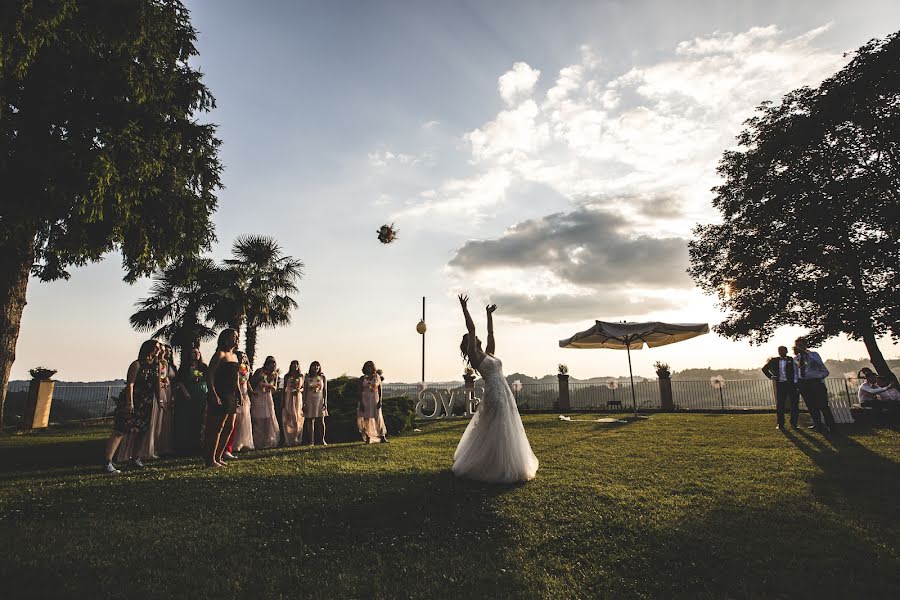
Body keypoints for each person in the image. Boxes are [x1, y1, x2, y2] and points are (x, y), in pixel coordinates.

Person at [452, 296, 538, 483]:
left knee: (505, 426)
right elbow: (472, 328)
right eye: (472, 338)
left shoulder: (489, 353)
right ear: (470, 344)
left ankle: (499, 461)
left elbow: (491, 333)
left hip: (504, 392)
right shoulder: (475, 357)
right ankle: (492, 465)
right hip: (494, 393)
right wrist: (465, 308)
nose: (476, 337)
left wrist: (489, 315)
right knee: (496, 426)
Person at [102, 340, 162, 474]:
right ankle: (107, 462)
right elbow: (130, 384)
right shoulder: (136, 364)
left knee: (142, 431)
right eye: (156, 348)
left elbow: (157, 384)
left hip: (146, 401)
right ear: (148, 349)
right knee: (120, 430)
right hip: (133, 400)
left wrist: (160, 400)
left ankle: (135, 459)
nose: (158, 350)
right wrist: (130, 403)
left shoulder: (156, 366)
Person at [205, 328, 242, 468]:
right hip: (221, 393)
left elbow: (236, 377)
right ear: (226, 339)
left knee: (229, 427)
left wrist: (239, 393)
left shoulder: (235, 356)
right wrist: (213, 393)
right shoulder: (219, 354)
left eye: (238, 337)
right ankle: (210, 459)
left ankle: (219, 456)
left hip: (232, 394)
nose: (237, 339)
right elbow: (210, 375)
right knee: (217, 427)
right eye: (235, 336)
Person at [794, 338, 837, 434]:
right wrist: (797, 384)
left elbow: (820, 365)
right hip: (804, 384)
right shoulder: (796, 359)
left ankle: (831, 427)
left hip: (816, 382)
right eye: (797, 345)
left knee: (823, 406)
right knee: (811, 407)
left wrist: (806, 354)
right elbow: (796, 373)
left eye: (800, 345)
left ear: (805, 345)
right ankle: (818, 426)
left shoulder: (813, 355)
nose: (799, 347)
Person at [174, 347, 208, 455]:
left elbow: (209, 379)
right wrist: (185, 393)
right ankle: (186, 446)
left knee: (200, 420)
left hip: (201, 394)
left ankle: (198, 445)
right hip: (189, 394)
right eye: (194, 352)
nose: (196, 354)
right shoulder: (185, 367)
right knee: (188, 420)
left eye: (198, 352)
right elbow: (179, 381)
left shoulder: (203, 366)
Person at [761, 346, 799, 429]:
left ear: (787, 351)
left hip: (791, 384)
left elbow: (796, 370)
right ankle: (780, 424)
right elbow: (764, 369)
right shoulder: (774, 360)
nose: (781, 352)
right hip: (780, 384)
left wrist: (796, 381)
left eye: (783, 350)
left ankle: (794, 423)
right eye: (780, 350)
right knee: (780, 404)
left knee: (794, 404)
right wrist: (771, 376)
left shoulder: (791, 359)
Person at [250, 356, 281, 449]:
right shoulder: (259, 371)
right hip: (258, 395)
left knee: (268, 418)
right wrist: (260, 383)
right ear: (267, 364)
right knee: (258, 419)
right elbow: (252, 382)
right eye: (271, 364)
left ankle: (268, 441)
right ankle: (258, 442)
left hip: (267, 396)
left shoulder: (275, 375)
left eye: (274, 364)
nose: (273, 366)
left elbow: (275, 388)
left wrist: (271, 387)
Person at [151, 344, 177, 456]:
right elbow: (162, 378)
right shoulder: (161, 363)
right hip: (162, 391)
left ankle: (162, 445)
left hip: (168, 391)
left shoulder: (167, 364)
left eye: (169, 351)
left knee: (165, 420)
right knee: (158, 418)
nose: (167, 353)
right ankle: (154, 446)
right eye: (165, 351)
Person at [230, 350, 255, 453]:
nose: (242, 358)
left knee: (245, 419)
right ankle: (235, 443)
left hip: (245, 394)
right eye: (240, 356)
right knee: (237, 419)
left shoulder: (246, 368)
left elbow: (246, 381)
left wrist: (251, 391)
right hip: (237, 392)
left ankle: (244, 442)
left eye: (244, 356)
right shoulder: (234, 367)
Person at [358, 360, 388, 444]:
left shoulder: (377, 376)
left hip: (375, 398)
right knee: (366, 419)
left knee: (378, 417)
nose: (369, 368)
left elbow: (380, 389)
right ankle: (368, 437)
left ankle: (382, 436)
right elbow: (359, 391)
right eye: (367, 366)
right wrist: (361, 403)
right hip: (365, 398)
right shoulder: (362, 378)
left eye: (371, 366)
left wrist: (380, 401)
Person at [302, 361, 328, 445]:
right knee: (310, 420)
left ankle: (322, 440)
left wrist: (325, 402)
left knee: (321, 421)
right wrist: (303, 403)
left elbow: (325, 391)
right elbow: (305, 391)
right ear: (311, 367)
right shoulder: (307, 377)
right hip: (309, 400)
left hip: (319, 400)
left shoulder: (322, 377)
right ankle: (311, 442)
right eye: (314, 366)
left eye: (317, 366)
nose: (316, 367)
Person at [282, 360, 304, 446]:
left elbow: (303, 388)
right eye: (293, 364)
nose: (295, 366)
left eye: (297, 364)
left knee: (298, 418)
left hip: (298, 398)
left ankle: (296, 438)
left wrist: (299, 390)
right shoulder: (287, 376)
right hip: (289, 398)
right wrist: (283, 400)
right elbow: (284, 389)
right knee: (288, 418)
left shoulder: (301, 376)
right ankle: (288, 439)